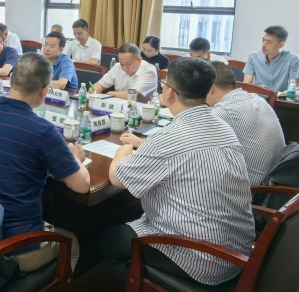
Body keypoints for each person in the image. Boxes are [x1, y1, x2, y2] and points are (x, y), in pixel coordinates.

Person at [100, 57, 254, 286]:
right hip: (238, 254)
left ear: (170, 92)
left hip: (200, 259)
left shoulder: (167, 138)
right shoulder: (224, 127)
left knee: (108, 238)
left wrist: (123, 151)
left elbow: (117, 178)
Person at [0, 53, 90, 273]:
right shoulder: (43, 130)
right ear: (44, 90)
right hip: (16, 247)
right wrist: (75, 158)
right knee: (72, 242)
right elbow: (82, 185)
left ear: (10, 79)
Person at [207, 61, 285, 185]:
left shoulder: (224, 110)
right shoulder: (257, 99)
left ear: (211, 89)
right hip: (274, 181)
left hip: (253, 188)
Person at [243, 25, 299, 92]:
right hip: (258, 97)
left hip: (281, 98)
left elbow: (294, 89)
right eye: (263, 40)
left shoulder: (293, 59)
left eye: (268, 42)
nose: (263, 44)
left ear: (281, 45)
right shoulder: (253, 57)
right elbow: (246, 85)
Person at [92, 43, 157, 99]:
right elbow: (100, 85)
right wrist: (95, 89)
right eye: (122, 64)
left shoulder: (149, 71)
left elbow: (132, 94)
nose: (125, 68)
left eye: (128, 64)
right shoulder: (117, 66)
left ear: (139, 60)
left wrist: (110, 93)